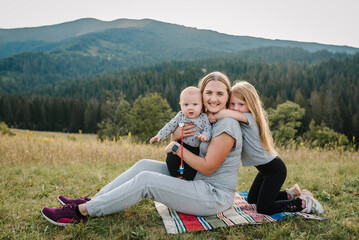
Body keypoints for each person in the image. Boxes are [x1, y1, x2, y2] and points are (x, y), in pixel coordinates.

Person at [41, 71, 244, 226]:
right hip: (195, 178)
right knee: (144, 165)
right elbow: (180, 135)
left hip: (212, 195)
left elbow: (208, 168)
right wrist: (175, 137)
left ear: (227, 96)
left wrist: (176, 148)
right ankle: (94, 199)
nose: (213, 98)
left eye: (220, 93)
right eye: (208, 92)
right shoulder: (208, 118)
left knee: (147, 181)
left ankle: (81, 212)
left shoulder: (227, 126)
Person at [208, 80, 324, 215]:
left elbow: (223, 114)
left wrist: (211, 114)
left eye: (241, 104)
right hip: (264, 170)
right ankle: (290, 194)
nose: (235, 108)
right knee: (252, 200)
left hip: (274, 170)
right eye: (232, 104)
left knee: (264, 208)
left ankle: (303, 203)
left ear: (250, 105)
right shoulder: (241, 117)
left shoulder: (248, 117)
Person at [150, 86, 211, 180]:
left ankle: (187, 180)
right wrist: (160, 135)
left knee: (191, 169)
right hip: (181, 145)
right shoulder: (180, 116)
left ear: (201, 105)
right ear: (180, 105)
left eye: (195, 104)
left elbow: (208, 129)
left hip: (195, 150)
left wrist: (205, 136)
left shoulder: (204, 117)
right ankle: (176, 176)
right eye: (186, 105)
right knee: (170, 159)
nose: (190, 108)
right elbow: (170, 126)